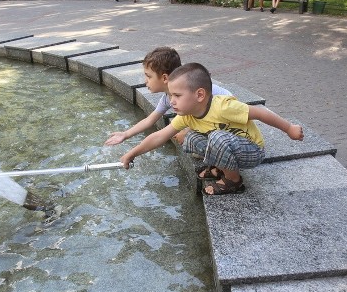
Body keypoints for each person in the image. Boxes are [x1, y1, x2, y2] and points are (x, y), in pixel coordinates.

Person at [118, 63, 304, 195]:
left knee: (216, 138)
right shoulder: (187, 115)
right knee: (190, 139)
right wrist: (132, 154)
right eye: (171, 95)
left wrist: (289, 128)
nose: (171, 101)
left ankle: (233, 181)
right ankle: (219, 169)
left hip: (252, 150)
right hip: (227, 147)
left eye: (177, 95)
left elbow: (261, 113)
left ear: (199, 95)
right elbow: (159, 136)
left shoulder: (222, 107)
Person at [104, 47, 232, 147]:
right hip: (215, 125)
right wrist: (125, 134)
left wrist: (187, 131)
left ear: (165, 78)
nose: (145, 81)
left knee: (189, 139)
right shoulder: (167, 98)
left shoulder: (195, 91)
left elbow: (209, 114)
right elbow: (150, 120)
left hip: (229, 123)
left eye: (149, 76)